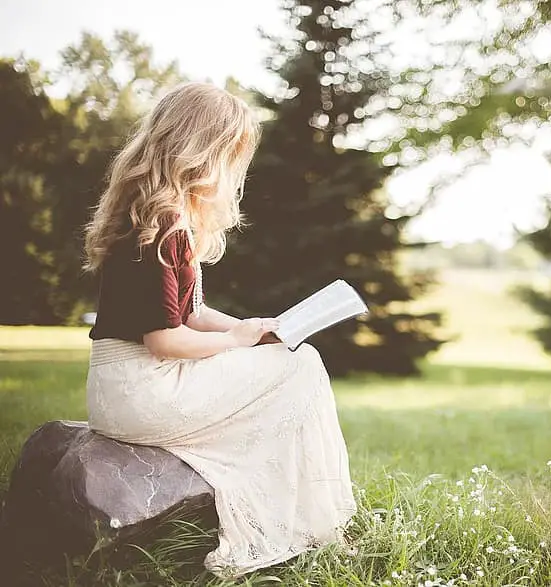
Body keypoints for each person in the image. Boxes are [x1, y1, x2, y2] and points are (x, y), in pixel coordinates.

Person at [82, 82, 356, 578]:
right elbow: (165, 340)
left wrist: (254, 327)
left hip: (125, 387)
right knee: (303, 367)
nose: (234, 171)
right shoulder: (164, 223)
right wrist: (235, 342)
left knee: (292, 359)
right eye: (231, 155)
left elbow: (192, 312)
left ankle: (303, 516)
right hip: (142, 389)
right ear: (201, 151)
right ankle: (307, 522)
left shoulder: (154, 213)